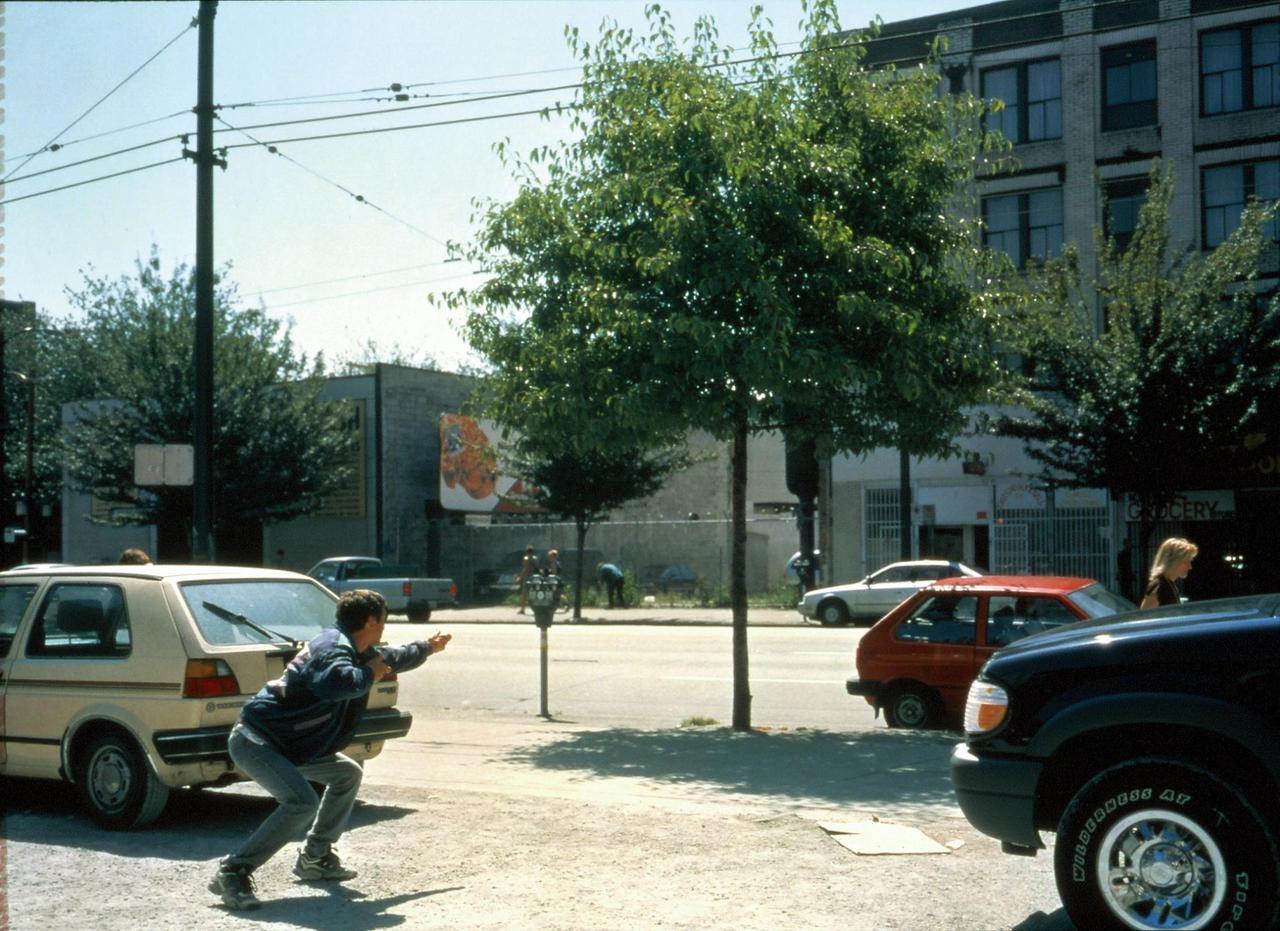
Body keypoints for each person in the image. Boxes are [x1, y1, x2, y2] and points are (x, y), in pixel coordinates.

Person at [208, 588, 451, 910]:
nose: (384, 628)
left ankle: (315, 857)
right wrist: (369, 674)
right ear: (370, 621)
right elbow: (335, 684)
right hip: (258, 741)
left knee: (346, 773)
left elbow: (391, 658)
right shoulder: (333, 648)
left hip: (293, 743)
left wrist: (427, 648)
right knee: (300, 802)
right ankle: (233, 871)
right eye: (383, 621)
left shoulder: (357, 648)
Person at [1140, 537, 1198, 609]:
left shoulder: (1169, 583)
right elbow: (1145, 617)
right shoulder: (1158, 586)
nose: (1190, 567)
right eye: (1185, 562)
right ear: (1173, 561)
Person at [516, 545, 538, 615]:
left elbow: (525, 569)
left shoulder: (525, 559)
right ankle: (536, 609)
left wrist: (520, 577)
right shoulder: (535, 559)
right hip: (534, 577)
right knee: (534, 593)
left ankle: (522, 609)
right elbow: (537, 568)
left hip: (527, 577)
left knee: (524, 594)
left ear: (527, 552)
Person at [1116, 538, 1135, 602]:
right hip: (1124, 576)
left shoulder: (1129, 554)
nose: (1130, 545)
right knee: (1125, 592)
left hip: (1127, 576)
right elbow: (1120, 566)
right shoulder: (1122, 554)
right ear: (1125, 545)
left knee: (1128, 592)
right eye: (1129, 544)